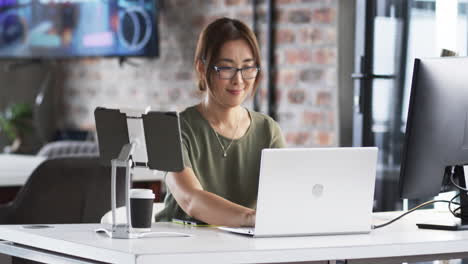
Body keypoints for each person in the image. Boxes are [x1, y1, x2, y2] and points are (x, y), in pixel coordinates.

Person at [155, 17, 286, 227]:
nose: (239, 80)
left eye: (248, 67)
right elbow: (191, 199)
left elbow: (284, 197)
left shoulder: (268, 130)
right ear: (201, 67)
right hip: (179, 248)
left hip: (244, 251)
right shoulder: (172, 129)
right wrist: (251, 218)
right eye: (226, 68)